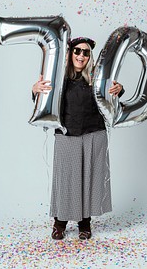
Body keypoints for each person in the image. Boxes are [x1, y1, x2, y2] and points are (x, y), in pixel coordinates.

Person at [32, 37, 124, 240]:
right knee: (66, 180)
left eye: (85, 52)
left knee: (89, 178)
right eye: (77, 51)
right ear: (70, 53)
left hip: (94, 134)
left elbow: (112, 98)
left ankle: (85, 223)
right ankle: (59, 223)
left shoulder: (97, 78)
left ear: (89, 56)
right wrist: (35, 90)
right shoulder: (59, 78)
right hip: (67, 135)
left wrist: (119, 90)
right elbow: (44, 100)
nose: (81, 55)